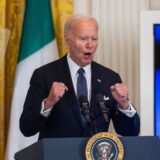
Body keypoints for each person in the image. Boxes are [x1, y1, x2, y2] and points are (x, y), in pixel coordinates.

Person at [20, 15, 140, 139]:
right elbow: (26, 128)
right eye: (83, 39)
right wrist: (48, 103)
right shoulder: (44, 75)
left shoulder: (110, 78)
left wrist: (124, 104)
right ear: (68, 40)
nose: (90, 45)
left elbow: (130, 132)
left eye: (94, 39)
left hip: (95, 156)